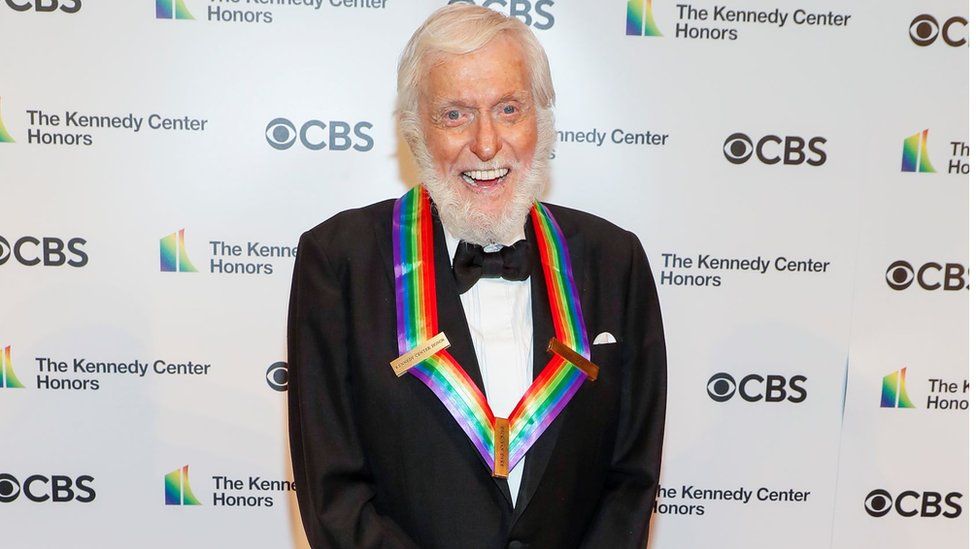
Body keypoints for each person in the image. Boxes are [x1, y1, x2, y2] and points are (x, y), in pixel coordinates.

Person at [287, 5, 667, 548]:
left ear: (541, 119)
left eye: (509, 109)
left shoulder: (615, 261)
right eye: (455, 115)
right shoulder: (337, 263)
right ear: (415, 132)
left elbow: (630, 482)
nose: (487, 145)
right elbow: (335, 497)